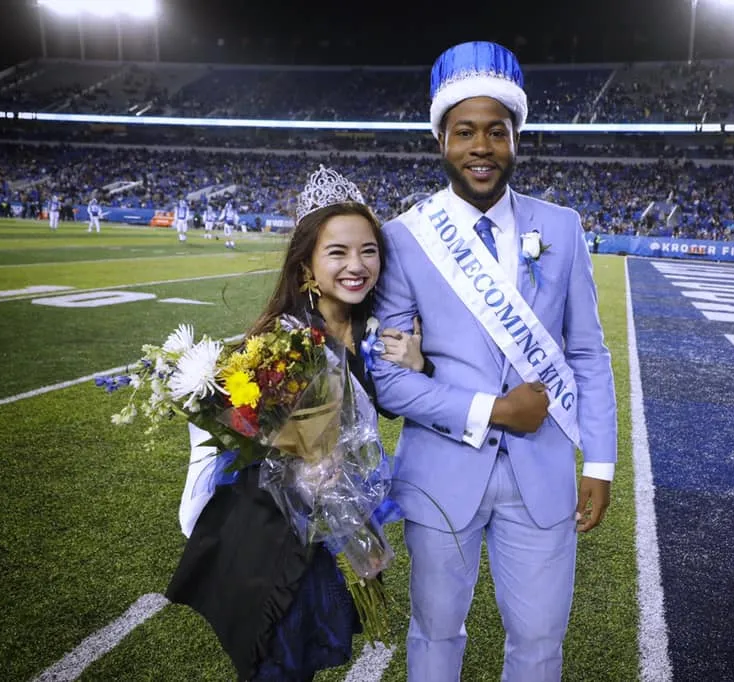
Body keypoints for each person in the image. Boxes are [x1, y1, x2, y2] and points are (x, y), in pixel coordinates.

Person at [371, 41, 618, 682]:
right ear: (441, 141)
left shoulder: (561, 228)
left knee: (539, 644)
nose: (482, 146)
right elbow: (390, 378)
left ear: (515, 139)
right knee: (433, 633)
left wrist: (599, 460)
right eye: (465, 132)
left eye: (497, 131)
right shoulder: (401, 238)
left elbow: (588, 351)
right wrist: (494, 409)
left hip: (543, 478)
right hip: (439, 473)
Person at [165, 165, 427, 682]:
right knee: (277, 663)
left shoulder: (376, 333)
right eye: (338, 252)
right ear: (306, 264)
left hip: (330, 538)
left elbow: (389, 406)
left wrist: (419, 366)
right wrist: (302, 463)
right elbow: (251, 434)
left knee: (305, 660)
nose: (357, 265)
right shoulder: (283, 342)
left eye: (368, 250)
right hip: (274, 541)